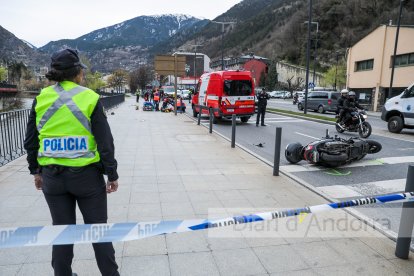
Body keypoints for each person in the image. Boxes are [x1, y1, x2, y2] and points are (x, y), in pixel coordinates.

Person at [23, 48, 120, 276]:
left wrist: (36, 171)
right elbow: (105, 142)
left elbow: (30, 141)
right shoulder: (90, 98)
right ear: (77, 73)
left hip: (53, 179)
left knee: (62, 233)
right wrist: (112, 174)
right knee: (99, 233)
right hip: (87, 179)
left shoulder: (40, 99)